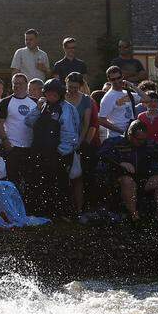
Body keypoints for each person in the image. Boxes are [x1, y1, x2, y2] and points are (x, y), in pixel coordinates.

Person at [23, 79, 80, 218]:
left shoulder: (67, 108)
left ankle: (61, 213)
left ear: (60, 94)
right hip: (39, 153)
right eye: (48, 94)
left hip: (58, 155)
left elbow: (70, 134)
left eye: (54, 94)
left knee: (60, 185)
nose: (51, 97)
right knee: (39, 183)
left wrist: (60, 153)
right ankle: (41, 212)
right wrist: (37, 108)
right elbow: (28, 122)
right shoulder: (42, 106)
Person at [99, 120, 158, 221]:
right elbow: (102, 154)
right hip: (121, 180)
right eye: (139, 139)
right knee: (128, 181)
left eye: (143, 139)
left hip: (144, 178)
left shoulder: (149, 143)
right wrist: (120, 162)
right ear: (130, 135)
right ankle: (134, 216)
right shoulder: (115, 142)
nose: (141, 142)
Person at [65, 73, 97, 219]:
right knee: (64, 177)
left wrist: (80, 142)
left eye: (75, 87)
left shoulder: (86, 100)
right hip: (62, 142)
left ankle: (79, 208)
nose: (72, 90)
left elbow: (86, 124)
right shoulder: (62, 97)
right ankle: (66, 208)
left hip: (78, 142)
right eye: (69, 86)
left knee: (78, 177)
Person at [0, 73, 35, 191]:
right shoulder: (5, 102)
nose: (17, 86)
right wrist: (6, 142)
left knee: (30, 182)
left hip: (30, 148)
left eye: (20, 83)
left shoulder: (35, 102)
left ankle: (28, 208)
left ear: (26, 85)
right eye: (15, 83)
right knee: (13, 182)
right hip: (13, 148)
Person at [97, 66, 137, 140]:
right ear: (109, 80)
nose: (116, 81)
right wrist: (122, 131)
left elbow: (147, 99)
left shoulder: (127, 93)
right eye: (113, 79)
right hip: (116, 137)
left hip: (130, 135)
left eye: (118, 78)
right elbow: (101, 120)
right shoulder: (108, 97)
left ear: (122, 77)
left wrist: (132, 86)